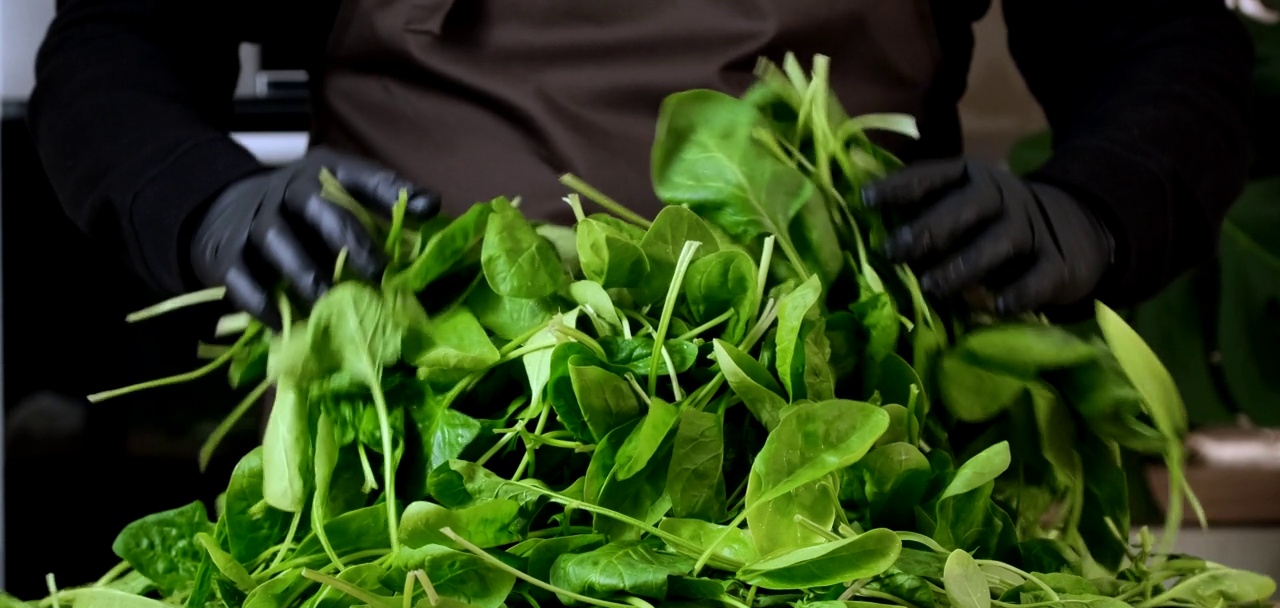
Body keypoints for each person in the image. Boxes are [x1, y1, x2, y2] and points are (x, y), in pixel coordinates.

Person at [29, 1, 1255, 328]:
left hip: (848, 493)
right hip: (398, 486)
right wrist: (203, 203)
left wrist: (1094, 208)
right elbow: (114, 47)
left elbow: (1160, 41)